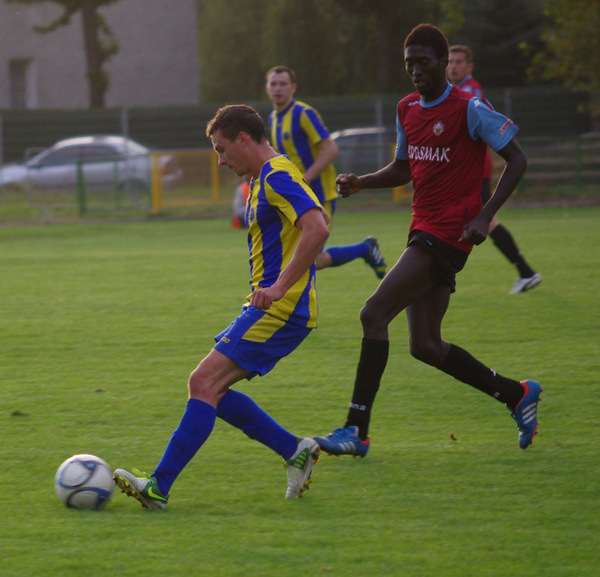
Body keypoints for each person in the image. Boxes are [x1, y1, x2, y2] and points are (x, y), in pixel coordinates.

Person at [314, 24, 542, 458]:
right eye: (409, 64)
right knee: (425, 346)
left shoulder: (469, 107)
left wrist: (485, 214)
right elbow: (404, 167)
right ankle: (517, 394)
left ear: (442, 62)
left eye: (423, 62)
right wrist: (363, 181)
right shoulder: (407, 108)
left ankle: (356, 430)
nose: (416, 70)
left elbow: (517, 159)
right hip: (423, 229)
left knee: (373, 313)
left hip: (450, 234)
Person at [113, 104, 330, 508]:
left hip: (282, 309)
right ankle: (294, 451)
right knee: (212, 389)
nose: (220, 160)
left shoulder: (277, 175)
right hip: (272, 307)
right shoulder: (264, 178)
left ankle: (158, 487)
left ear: (243, 139)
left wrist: (280, 287)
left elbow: (317, 227)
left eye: (222, 149)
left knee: (202, 382)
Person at [265, 65, 387, 280]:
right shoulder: (273, 118)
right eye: (273, 84)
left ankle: (365, 249)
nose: (278, 88)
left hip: (319, 193)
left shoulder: (303, 113)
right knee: (297, 258)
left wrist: (304, 179)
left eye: (283, 84)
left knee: (309, 260)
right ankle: (365, 249)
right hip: (296, 195)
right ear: (267, 87)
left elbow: (330, 149)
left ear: (293, 88)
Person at [447, 45, 542, 294]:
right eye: (450, 61)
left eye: (459, 62)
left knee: (479, 220)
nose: (453, 66)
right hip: (471, 168)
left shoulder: (468, 92)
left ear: (470, 66)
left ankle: (526, 272)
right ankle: (525, 271)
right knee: (477, 220)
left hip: (474, 169)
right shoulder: (459, 90)